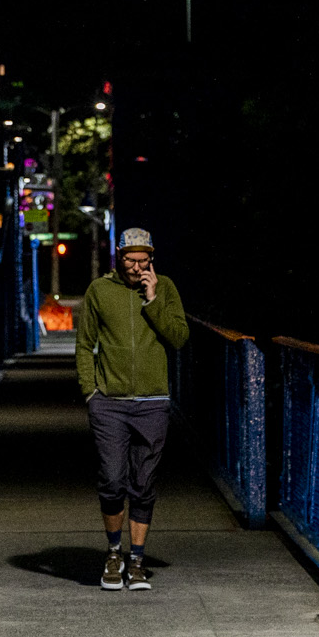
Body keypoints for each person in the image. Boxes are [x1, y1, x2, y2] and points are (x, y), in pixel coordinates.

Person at [76, 227, 187, 591]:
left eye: (144, 260)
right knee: (111, 478)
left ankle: (136, 559)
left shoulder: (164, 287)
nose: (137, 267)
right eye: (130, 259)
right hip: (109, 402)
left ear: (151, 259)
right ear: (118, 257)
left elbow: (179, 337)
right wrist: (91, 393)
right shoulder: (99, 291)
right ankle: (113, 553)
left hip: (153, 401)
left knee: (144, 482)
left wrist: (152, 299)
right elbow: (85, 344)